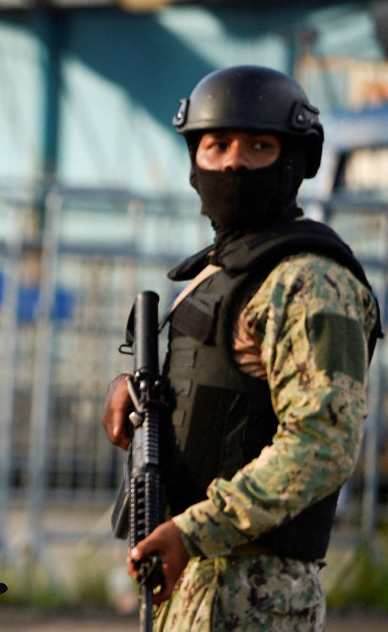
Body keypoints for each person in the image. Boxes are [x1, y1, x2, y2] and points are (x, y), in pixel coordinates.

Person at [101, 65, 381, 631]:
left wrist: (195, 529)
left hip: (254, 591)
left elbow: (322, 443)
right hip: (189, 579)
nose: (233, 161)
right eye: (217, 144)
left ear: (294, 161)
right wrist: (136, 392)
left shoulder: (310, 282)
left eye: (258, 145)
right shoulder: (216, 274)